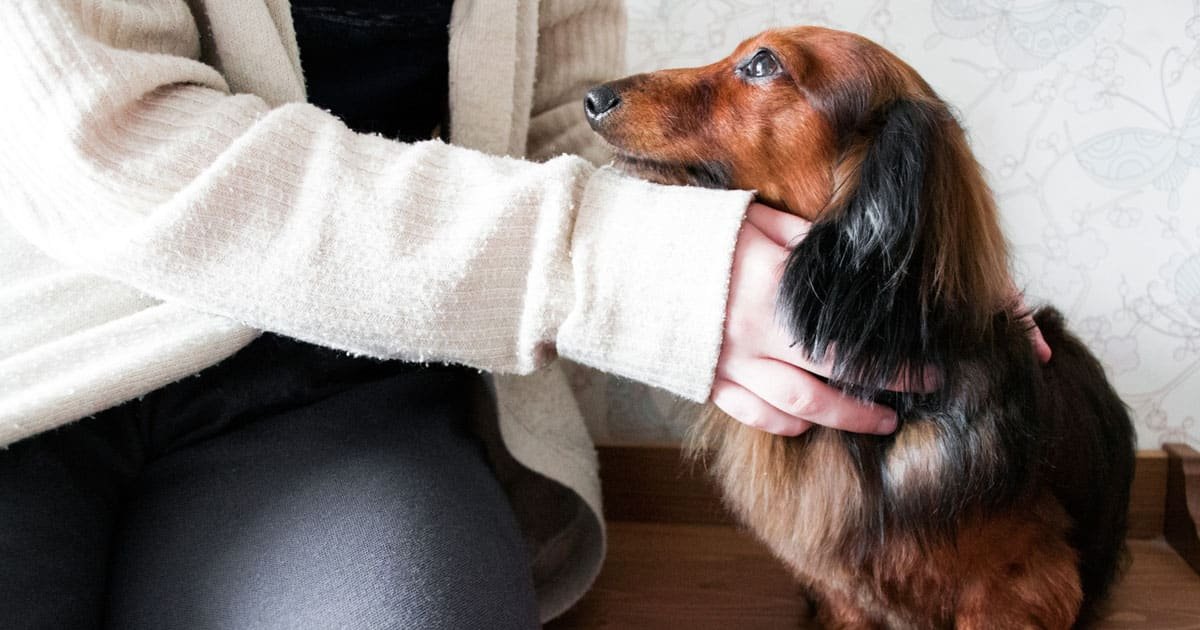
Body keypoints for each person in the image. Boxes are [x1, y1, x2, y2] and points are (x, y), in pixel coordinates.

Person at [0, 1, 1047, 628]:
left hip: (349, 394)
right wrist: (617, 269)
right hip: (35, 372)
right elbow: (107, 147)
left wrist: (914, 258)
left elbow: (563, 135)